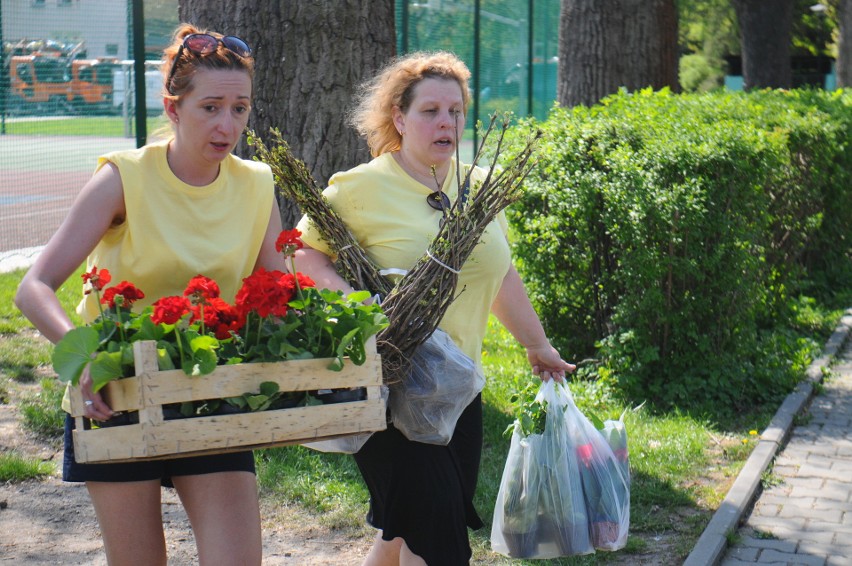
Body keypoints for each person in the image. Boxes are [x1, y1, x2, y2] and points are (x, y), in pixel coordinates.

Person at [14, 23, 285, 566]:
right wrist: (85, 355)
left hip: (211, 386)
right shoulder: (123, 177)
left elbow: (276, 295)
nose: (226, 124)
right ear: (173, 107)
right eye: (210, 107)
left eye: (240, 108)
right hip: (117, 394)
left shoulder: (257, 183)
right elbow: (33, 287)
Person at [294, 51, 575, 566]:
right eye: (430, 111)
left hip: (458, 387)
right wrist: (352, 302)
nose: (446, 122)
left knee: (402, 532)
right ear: (399, 118)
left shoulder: (478, 188)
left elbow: (500, 274)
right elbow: (304, 254)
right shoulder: (358, 187)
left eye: (455, 111)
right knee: (440, 538)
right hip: (387, 388)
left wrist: (536, 344)